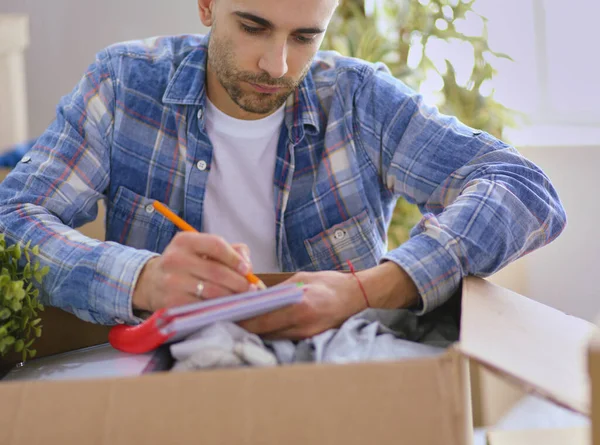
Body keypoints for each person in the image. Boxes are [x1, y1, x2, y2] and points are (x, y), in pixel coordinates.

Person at [0, 0, 566, 340]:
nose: (277, 66)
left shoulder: (357, 98)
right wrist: (142, 278)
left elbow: (524, 189)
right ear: (206, 4)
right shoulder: (125, 84)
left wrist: (366, 290)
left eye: (304, 37)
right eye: (253, 27)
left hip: (333, 383)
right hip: (167, 387)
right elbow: (13, 218)